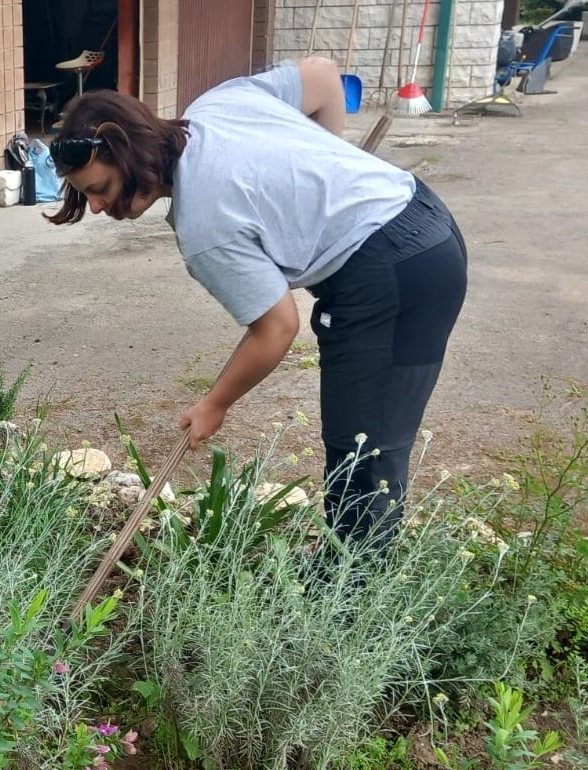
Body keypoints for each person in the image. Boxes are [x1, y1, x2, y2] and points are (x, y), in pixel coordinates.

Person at [47, 58, 468, 545]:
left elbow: (276, 327)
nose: (97, 207)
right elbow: (324, 77)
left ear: (131, 150)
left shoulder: (205, 225)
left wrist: (215, 403)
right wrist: (328, 164)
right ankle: (349, 579)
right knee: (366, 451)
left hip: (390, 277)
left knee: (364, 460)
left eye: (99, 189)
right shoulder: (217, 105)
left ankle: (350, 603)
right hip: (424, 219)